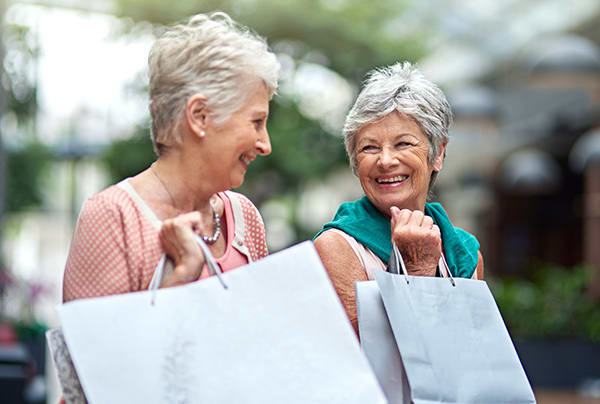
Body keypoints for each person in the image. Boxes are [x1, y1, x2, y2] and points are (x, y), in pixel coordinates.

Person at [63, 12, 280, 302]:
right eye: (256, 122)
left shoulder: (244, 216)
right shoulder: (113, 217)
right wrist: (182, 275)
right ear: (199, 116)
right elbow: (98, 347)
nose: (265, 144)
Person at [314, 62, 484, 334]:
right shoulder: (337, 247)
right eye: (369, 147)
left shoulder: (466, 253)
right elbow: (357, 359)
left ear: (437, 154)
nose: (385, 161)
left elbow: (469, 351)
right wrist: (417, 269)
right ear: (355, 161)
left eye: (403, 144)